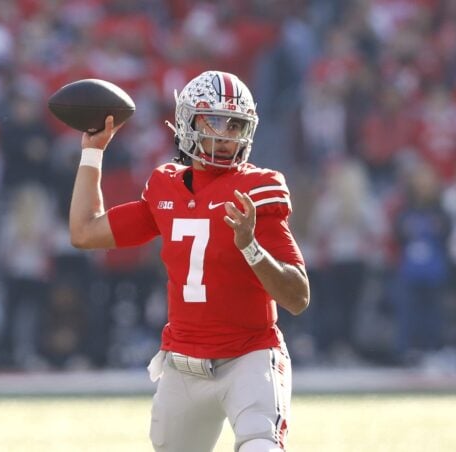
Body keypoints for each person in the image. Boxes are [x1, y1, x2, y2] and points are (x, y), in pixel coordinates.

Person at [69, 70, 310, 452]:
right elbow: (84, 232)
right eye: (214, 120)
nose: (225, 134)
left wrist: (250, 247)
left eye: (235, 124)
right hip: (182, 363)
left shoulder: (257, 189)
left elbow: (297, 297)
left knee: (260, 446)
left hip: (248, 355)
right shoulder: (165, 186)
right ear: (186, 121)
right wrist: (93, 150)